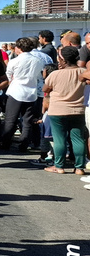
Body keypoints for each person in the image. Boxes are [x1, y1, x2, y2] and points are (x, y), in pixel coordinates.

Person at [45, 46, 87, 174]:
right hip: (78, 110)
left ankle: (59, 166)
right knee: (78, 139)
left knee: (59, 139)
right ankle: (79, 167)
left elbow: (45, 89)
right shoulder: (83, 72)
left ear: (62, 60)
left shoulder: (55, 74)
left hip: (57, 110)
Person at [0, 37, 46, 153]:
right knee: (27, 120)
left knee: (10, 119)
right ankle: (24, 144)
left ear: (18, 48)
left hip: (16, 91)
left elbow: (9, 75)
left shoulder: (15, 61)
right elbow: (40, 76)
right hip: (31, 92)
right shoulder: (38, 60)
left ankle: (5, 143)